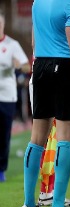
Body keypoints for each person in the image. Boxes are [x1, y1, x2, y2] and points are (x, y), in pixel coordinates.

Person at [21, 0, 70, 207]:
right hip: (64, 68)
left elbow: (34, 42)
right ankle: (58, 205)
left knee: (36, 139)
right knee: (65, 139)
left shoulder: (38, 2)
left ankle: (28, 205)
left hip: (40, 66)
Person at [0, 11, 30, 182]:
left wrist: (18, 65)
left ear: (3, 26)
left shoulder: (12, 45)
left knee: (4, 134)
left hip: (7, 97)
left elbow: (26, 67)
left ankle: (1, 169)